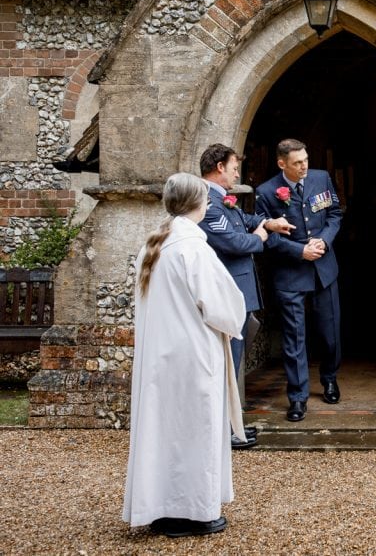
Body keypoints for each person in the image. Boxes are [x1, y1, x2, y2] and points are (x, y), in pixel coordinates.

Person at [122, 172, 247, 538]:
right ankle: (193, 512)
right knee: (195, 430)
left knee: (163, 430)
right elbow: (223, 306)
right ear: (199, 204)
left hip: (160, 356)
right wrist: (235, 320)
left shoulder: (154, 244)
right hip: (193, 356)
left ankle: (161, 507)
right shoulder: (194, 248)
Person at [198, 143, 294, 449]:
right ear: (219, 168)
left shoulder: (222, 201)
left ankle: (232, 428)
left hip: (237, 297)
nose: (237, 173)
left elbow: (245, 219)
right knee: (225, 366)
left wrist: (268, 223)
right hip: (226, 297)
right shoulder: (207, 205)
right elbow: (235, 242)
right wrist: (261, 237)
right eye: (234, 167)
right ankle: (223, 434)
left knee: (232, 364)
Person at [255, 138, 343, 422]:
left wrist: (324, 242)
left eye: (306, 159)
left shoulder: (321, 178)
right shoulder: (266, 192)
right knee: (294, 339)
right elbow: (266, 237)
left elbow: (334, 214)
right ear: (282, 164)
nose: (304, 166)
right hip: (290, 274)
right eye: (297, 163)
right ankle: (297, 397)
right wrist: (299, 250)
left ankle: (329, 378)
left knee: (330, 334)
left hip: (323, 270)